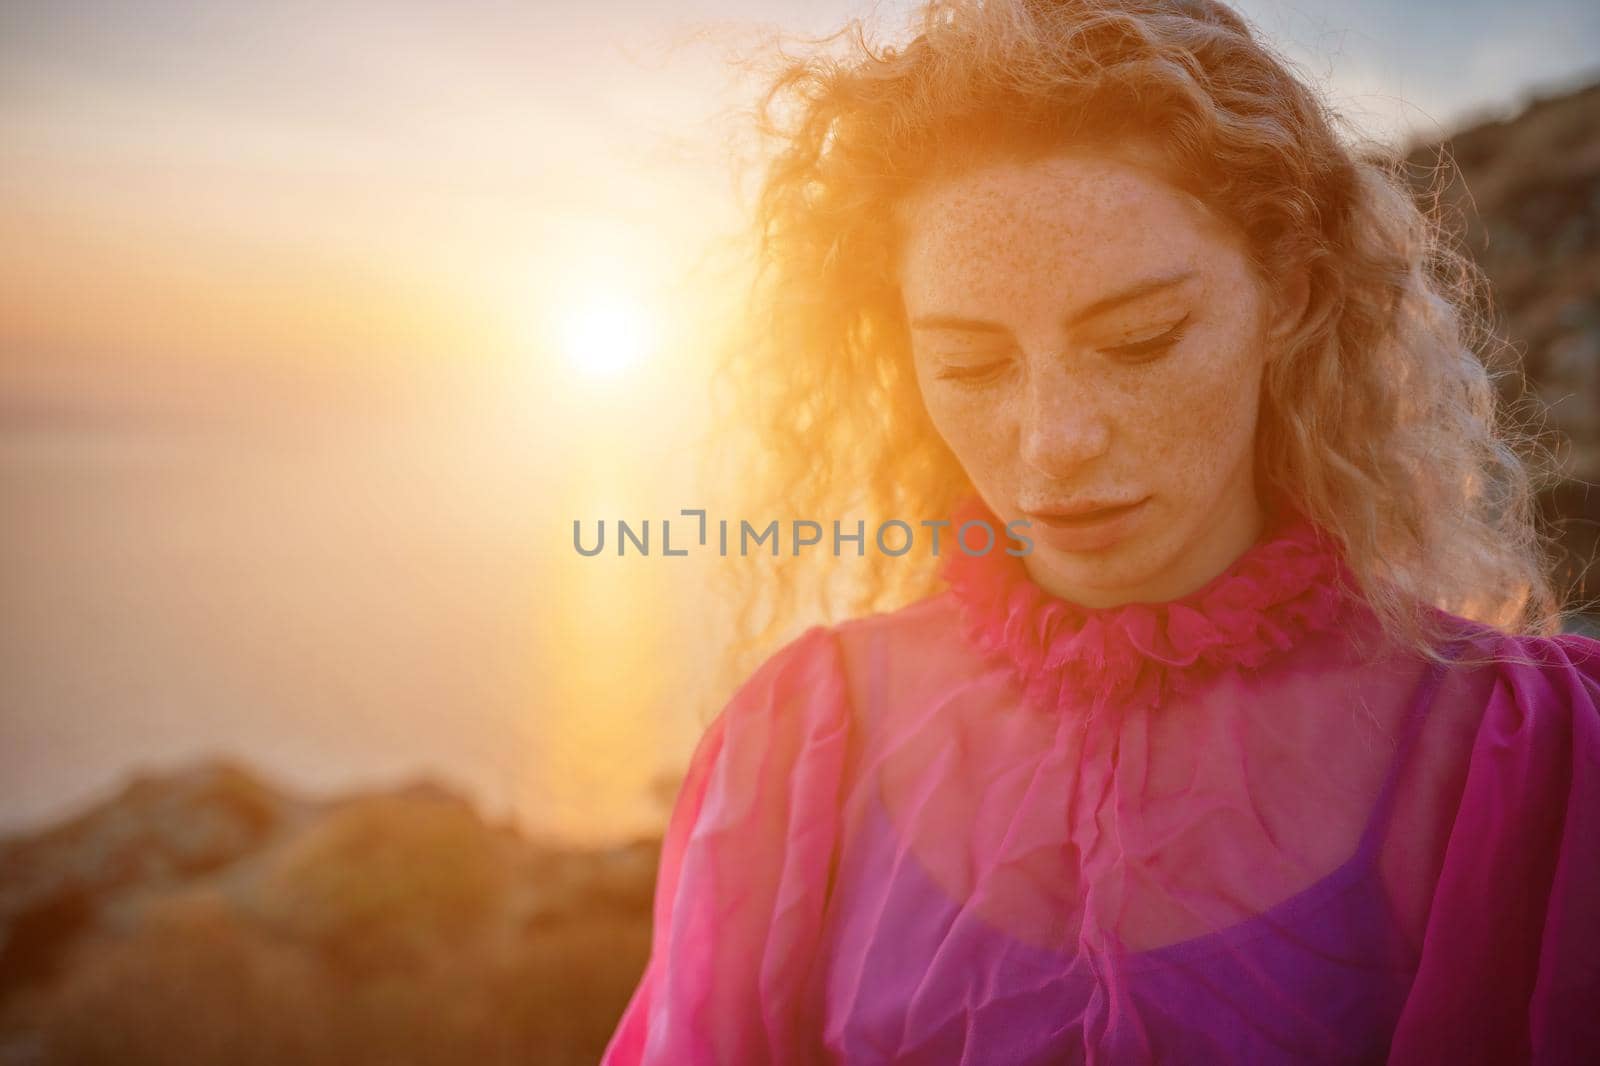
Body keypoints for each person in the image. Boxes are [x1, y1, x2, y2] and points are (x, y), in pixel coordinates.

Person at [602, 0, 1600, 1062]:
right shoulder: (801, 745)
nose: (1052, 444)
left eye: (1140, 340)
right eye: (972, 364)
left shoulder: (1529, 758)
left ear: (1289, 296)